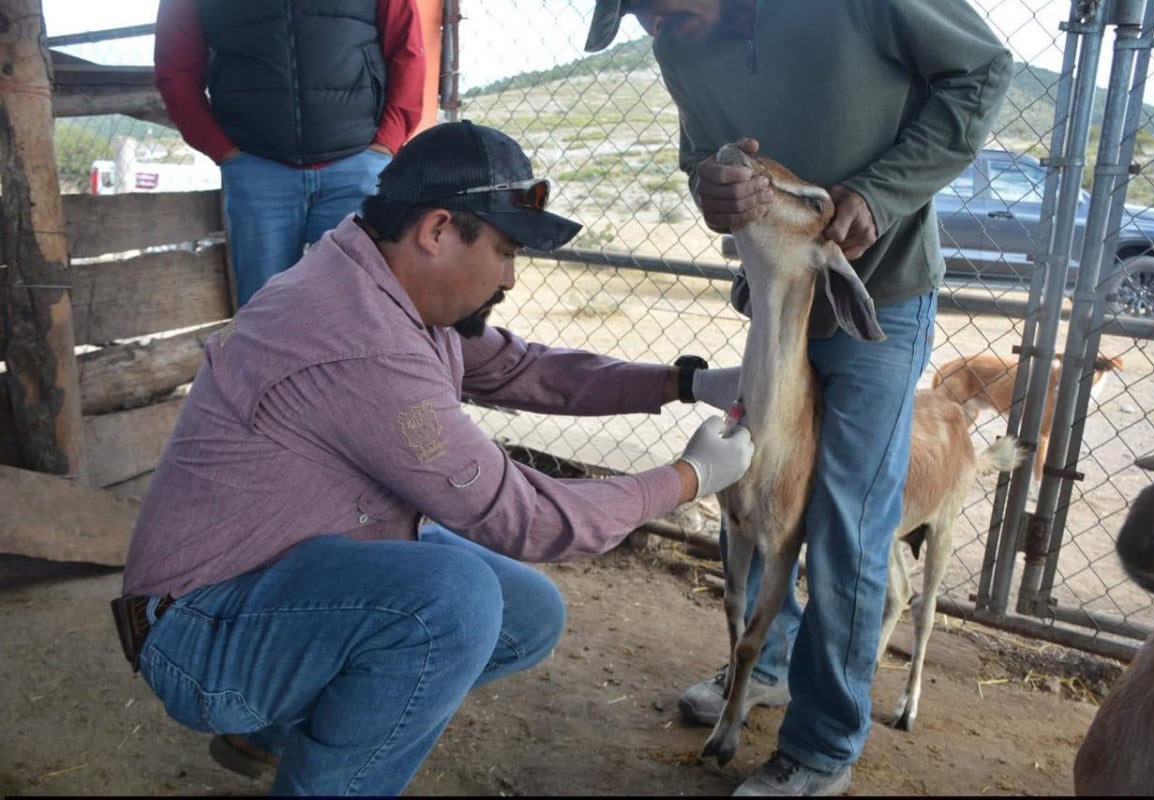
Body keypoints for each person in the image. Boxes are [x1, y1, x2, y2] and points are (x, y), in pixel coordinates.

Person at [110, 119, 755, 797]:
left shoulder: (378, 279)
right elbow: (526, 518)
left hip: (279, 571)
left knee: (526, 612)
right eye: (505, 251)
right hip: (198, 630)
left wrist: (683, 382)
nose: (510, 278)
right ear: (438, 230)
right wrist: (689, 479)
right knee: (450, 602)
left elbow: (520, 368)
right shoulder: (361, 339)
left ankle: (270, 729)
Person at [584, 1, 1013, 795]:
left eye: (658, 5)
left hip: (876, 294)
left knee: (849, 511)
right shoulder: (679, 39)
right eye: (638, 13)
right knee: (755, 485)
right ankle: (765, 666)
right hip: (775, 300)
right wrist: (712, 188)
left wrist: (879, 194)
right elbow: (699, 156)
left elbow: (984, 70)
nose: (655, 28)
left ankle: (821, 744)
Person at [154, 0, 427, 307]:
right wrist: (223, 150)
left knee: (361, 310)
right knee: (264, 314)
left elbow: (408, 50)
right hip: (257, 170)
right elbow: (175, 70)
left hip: (356, 165)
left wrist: (386, 142)